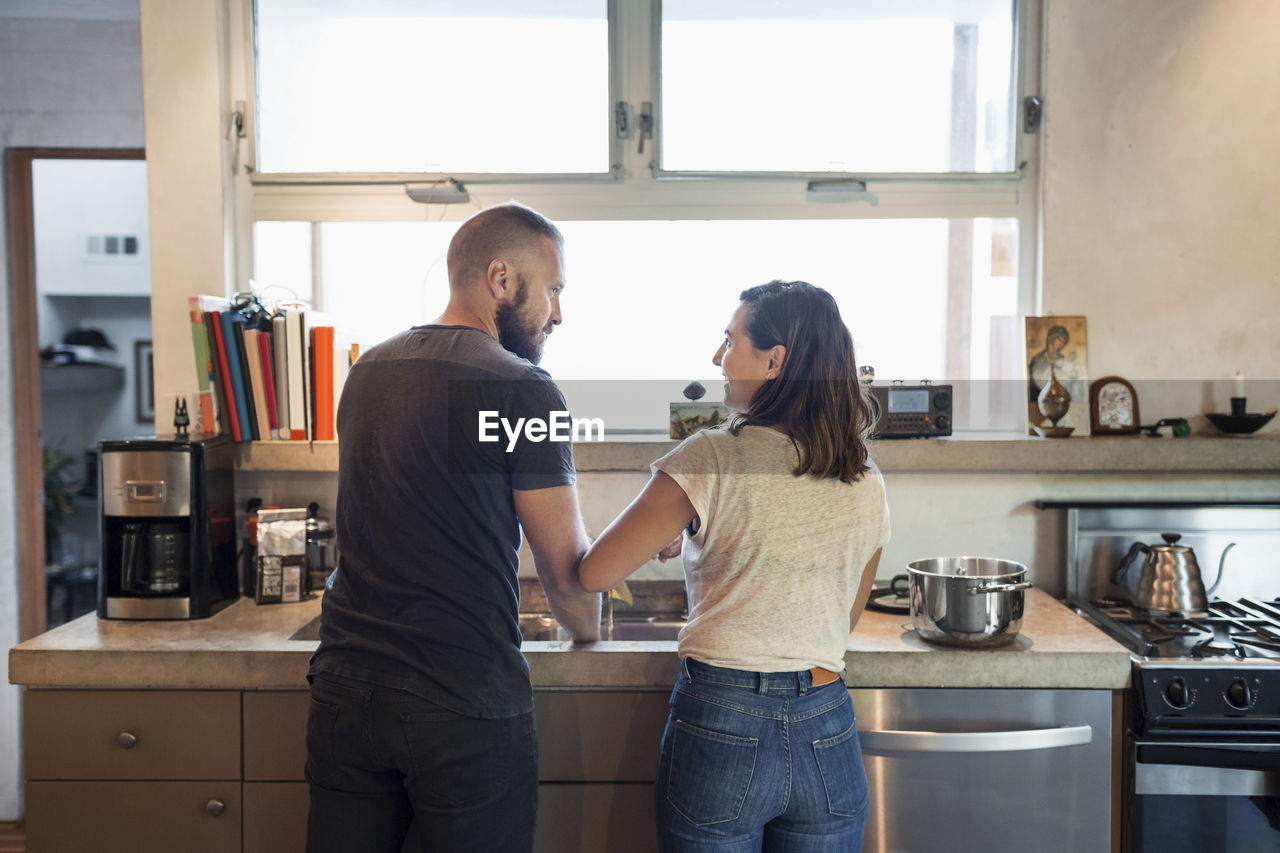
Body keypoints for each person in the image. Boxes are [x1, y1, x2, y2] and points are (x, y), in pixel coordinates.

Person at [305, 202, 601, 853]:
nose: (558, 313)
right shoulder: (526, 389)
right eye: (553, 289)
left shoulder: (366, 372)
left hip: (346, 694)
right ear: (500, 278)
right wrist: (591, 627)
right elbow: (565, 573)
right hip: (460, 702)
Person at [578, 280, 890, 852]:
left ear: (775, 361)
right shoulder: (864, 477)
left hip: (723, 723)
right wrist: (703, 534)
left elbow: (595, 573)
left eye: (729, 341)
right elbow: (841, 618)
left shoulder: (711, 456)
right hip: (826, 722)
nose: (717, 358)